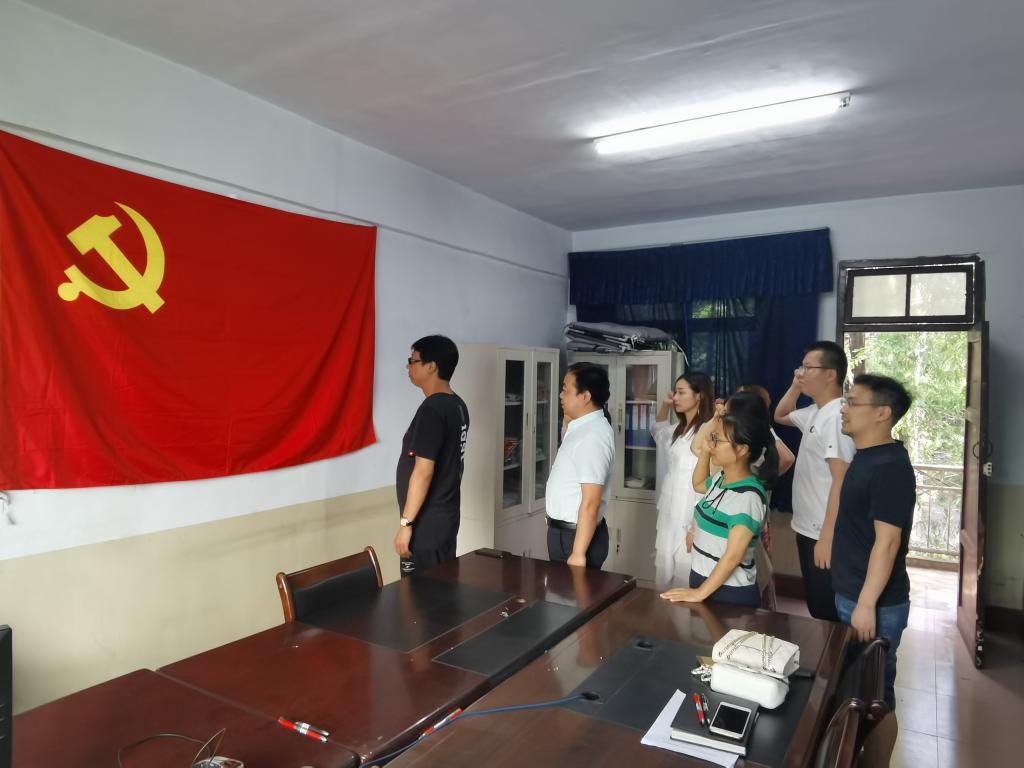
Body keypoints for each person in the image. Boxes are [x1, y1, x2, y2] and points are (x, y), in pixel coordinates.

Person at [832, 374, 916, 711]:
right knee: (855, 690)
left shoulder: (890, 467)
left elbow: (888, 542)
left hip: (874, 605)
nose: (844, 409)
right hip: (853, 593)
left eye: (853, 403)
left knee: (874, 700)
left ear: (883, 413)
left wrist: (866, 604)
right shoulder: (867, 456)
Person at [661, 403, 779, 607]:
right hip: (704, 581)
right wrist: (705, 452)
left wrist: (699, 593)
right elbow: (699, 484)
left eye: (717, 440)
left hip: (729, 593)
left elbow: (733, 556)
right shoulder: (721, 479)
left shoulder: (748, 497)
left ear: (741, 449)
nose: (711, 444)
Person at [775, 341, 856, 621]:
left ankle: (838, 651)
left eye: (808, 367)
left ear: (830, 374)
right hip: (808, 526)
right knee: (817, 605)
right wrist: (796, 385)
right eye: (801, 367)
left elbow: (841, 480)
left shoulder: (836, 417)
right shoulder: (815, 411)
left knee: (828, 610)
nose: (801, 372)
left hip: (824, 530)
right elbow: (780, 415)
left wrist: (827, 536)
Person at [394, 335, 469, 576]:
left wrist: (406, 524)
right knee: (441, 588)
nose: (408, 366)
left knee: (418, 594)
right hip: (445, 519)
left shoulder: (432, 409)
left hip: (425, 525)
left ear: (431, 366)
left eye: (413, 360)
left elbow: (423, 472)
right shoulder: (457, 405)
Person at [650, 372, 715, 591]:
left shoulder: (708, 432)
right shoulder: (676, 431)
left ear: (699, 395)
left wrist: (695, 527)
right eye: (675, 392)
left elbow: (712, 481)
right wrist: (665, 405)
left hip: (692, 513)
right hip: (669, 510)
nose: (675, 397)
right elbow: (657, 430)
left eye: (681, 392)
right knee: (663, 571)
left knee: (685, 574)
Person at [546, 362, 615, 568]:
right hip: (566, 534)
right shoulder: (583, 427)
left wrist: (578, 553)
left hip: (575, 538)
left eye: (566, 390)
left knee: (573, 590)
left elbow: (591, 501)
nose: (561, 395)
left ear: (585, 396)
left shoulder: (593, 437)